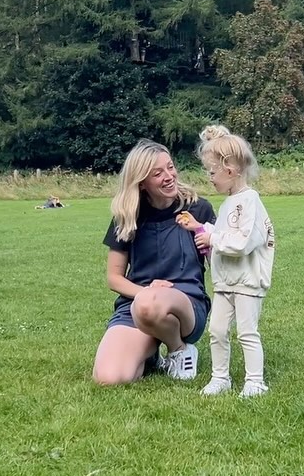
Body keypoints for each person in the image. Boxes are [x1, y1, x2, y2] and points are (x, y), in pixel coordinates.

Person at [92, 140, 215, 386]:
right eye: (157, 173)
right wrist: (146, 291)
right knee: (109, 377)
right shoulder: (127, 216)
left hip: (186, 305)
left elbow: (219, 261)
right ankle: (149, 355)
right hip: (137, 305)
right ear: (141, 182)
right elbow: (114, 278)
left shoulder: (197, 208)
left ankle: (179, 349)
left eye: (170, 167)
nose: (169, 176)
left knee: (149, 303)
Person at [178, 125, 274, 398]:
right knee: (217, 330)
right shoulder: (229, 203)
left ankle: (255, 381)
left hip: (246, 282)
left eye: (211, 172)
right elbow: (223, 235)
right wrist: (201, 228)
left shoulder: (249, 201)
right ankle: (221, 377)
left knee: (247, 332)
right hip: (225, 282)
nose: (209, 178)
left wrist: (212, 240)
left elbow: (244, 242)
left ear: (230, 170)